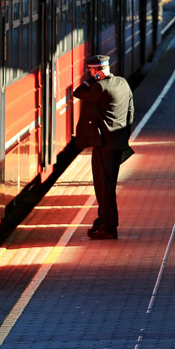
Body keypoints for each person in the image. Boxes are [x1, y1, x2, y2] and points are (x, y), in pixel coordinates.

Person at [54, 54, 134, 240]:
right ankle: (103, 221)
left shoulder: (99, 87)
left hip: (104, 145)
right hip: (118, 142)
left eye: (91, 70)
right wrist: (124, 136)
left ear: (96, 70)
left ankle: (108, 226)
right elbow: (131, 111)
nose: (90, 73)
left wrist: (92, 79)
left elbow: (78, 92)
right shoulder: (122, 83)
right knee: (109, 184)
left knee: (103, 186)